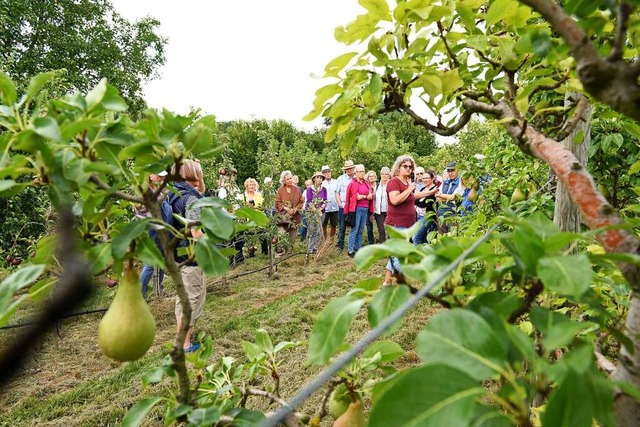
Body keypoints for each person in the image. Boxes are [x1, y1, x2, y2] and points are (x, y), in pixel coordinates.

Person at [170, 159, 206, 353]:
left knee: (184, 298)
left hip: (177, 254)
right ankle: (184, 345)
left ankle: (182, 340)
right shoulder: (191, 199)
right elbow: (196, 233)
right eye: (198, 174)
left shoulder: (175, 194)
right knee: (190, 299)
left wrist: (198, 175)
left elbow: (201, 190)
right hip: (191, 257)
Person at [381, 155, 417, 287]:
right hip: (397, 224)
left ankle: (387, 283)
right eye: (405, 166)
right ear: (398, 168)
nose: (409, 169)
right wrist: (409, 189)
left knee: (396, 255)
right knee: (400, 257)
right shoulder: (394, 182)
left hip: (407, 224)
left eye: (410, 167)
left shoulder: (407, 183)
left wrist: (430, 192)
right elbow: (395, 200)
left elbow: (411, 197)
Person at [135, 171, 168, 297]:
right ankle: (139, 295)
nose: (160, 177)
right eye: (157, 175)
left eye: (162, 175)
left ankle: (158, 291)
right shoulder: (147, 192)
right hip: (155, 232)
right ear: (149, 175)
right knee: (150, 264)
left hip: (164, 231)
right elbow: (139, 214)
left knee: (161, 262)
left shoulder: (160, 189)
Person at [345, 164, 374, 257]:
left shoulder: (366, 183)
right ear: (356, 173)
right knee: (355, 229)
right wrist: (346, 212)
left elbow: (371, 196)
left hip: (365, 208)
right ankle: (350, 250)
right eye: (360, 171)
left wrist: (362, 197)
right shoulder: (352, 184)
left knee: (361, 229)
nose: (362, 173)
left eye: (363, 171)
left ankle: (358, 247)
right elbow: (348, 198)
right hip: (356, 209)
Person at [275, 170, 304, 254]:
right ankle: (279, 252)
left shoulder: (297, 189)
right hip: (283, 217)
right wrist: (286, 208)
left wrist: (295, 209)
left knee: (293, 237)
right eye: (287, 179)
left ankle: (289, 253)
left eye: (290, 178)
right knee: (281, 234)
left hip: (295, 217)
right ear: (284, 180)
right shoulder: (280, 190)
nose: (290, 180)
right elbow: (277, 202)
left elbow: (301, 201)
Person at [436, 161, 465, 234]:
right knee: (442, 237)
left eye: (453, 170)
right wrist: (446, 197)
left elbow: (454, 197)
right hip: (441, 214)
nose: (450, 173)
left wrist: (441, 196)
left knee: (453, 236)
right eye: (448, 171)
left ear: (458, 170)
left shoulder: (461, 181)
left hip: (453, 214)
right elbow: (436, 197)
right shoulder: (445, 182)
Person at [243, 178, 268, 256]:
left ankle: (264, 252)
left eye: (253, 185)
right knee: (250, 235)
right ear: (246, 186)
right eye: (250, 185)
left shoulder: (259, 195)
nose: (251, 186)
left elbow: (263, 206)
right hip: (249, 218)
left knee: (263, 234)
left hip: (259, 216)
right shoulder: (243, 196)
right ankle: (251, 252)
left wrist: (256, 207)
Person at [413, 169, 439, 244]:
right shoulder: (423, 189)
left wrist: (418, 203)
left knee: (415, 237)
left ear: (432, 178)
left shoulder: (435, 190)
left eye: (427, 178)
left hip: (427, 217)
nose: (424, 180)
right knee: (423, 238)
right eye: (423, 178)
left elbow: (425, 204)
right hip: (419, 216)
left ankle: (418, 255)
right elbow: (415, 201)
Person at [335, 160, 356, 250]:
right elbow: (337, 192)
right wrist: (339, 204)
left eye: (350, 168)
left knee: (354, 226)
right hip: (343, 205)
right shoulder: (340, 179)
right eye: (347, 168)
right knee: (342, 226)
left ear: (353, 168)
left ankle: (353, 245)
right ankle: (340, 245)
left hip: (354, 206)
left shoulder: (357, 178)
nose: (349, 170)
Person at [305, 172, 327, 254]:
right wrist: (315, 210)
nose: (319, 179)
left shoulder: (324, 189)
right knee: (312, 230)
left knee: (318, 230)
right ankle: (309, 248)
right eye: (317, 177)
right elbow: (309, 201)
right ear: (314, 179)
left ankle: (315, 247)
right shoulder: (310, 189)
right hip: (311, 212)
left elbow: (325, 200)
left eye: (321, 178)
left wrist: (321, 209)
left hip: (321, 212)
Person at [321, 165, 339, 241]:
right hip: (324, 208)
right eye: (325, 172)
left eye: (329, 171)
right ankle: (324, 241)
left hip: (335, 207)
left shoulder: (336, 182)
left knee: (333, 225)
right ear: (323, 174)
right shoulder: (321, 183)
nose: (328, 173)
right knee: (323, 225)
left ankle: (331, 241)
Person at [374, 166, 390, 243]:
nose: (384, 175)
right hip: (379, 212)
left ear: (389, 175)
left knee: (390, 231)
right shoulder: (377, 186)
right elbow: (374, 199)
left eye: (386, 174)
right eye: (382, 174)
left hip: (389, 211)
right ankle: (383, 249)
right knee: (381, 230)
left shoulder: (391, 185)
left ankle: (391, 250)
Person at [365, 170, 377, 244]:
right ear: (368, 178)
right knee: (369, 228)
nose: (371, 177)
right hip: (368, 210)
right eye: (370, 176)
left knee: (381, 228)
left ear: (375, 177)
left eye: (373, 176)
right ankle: (371, 243)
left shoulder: (379, 186)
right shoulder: (366, 186)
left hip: (378, 209)